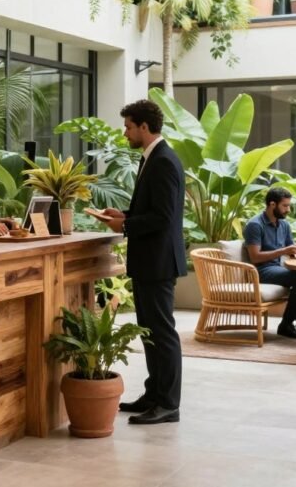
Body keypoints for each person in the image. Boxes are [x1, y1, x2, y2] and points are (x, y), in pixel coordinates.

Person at [100, 99, 185, 425]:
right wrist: (127, 215)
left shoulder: (163, 161)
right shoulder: (154, 158)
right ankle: (154, 394)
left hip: (158, 262)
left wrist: (126, 225)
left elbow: (163, 217)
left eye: (128, 126)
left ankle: (168, 403)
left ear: (144, 127)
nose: (125, 133)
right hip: (152, 260)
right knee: (150, 331)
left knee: (162, 333)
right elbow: (155, 209)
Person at [243, 188, 296, 339]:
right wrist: (283, 251)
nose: (288, 210)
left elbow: (290, 251)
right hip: (260, 271)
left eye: (289, 206)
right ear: (272, 204)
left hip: (277, 268)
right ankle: (286, 325)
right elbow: (255, 257)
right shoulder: (255, 225)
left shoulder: (284, 225)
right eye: (285, 206)